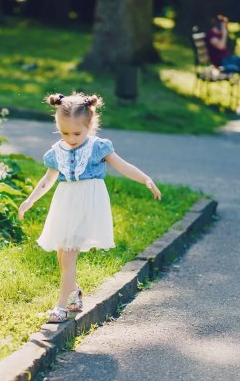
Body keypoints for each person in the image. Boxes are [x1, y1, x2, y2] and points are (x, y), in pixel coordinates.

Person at [18, 92, 162, 323]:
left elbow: (123, 166)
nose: (71, 138)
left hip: (87, 203)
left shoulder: (98, 147)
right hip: (65, 202)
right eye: (65, 133)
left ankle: (61, 306)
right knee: (62, 254)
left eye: (77, 133)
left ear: (90, 126)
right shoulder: (57, 151)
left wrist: (145, 179)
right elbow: (48, 179)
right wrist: (30, 199)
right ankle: (74, 294)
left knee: (69, 256)